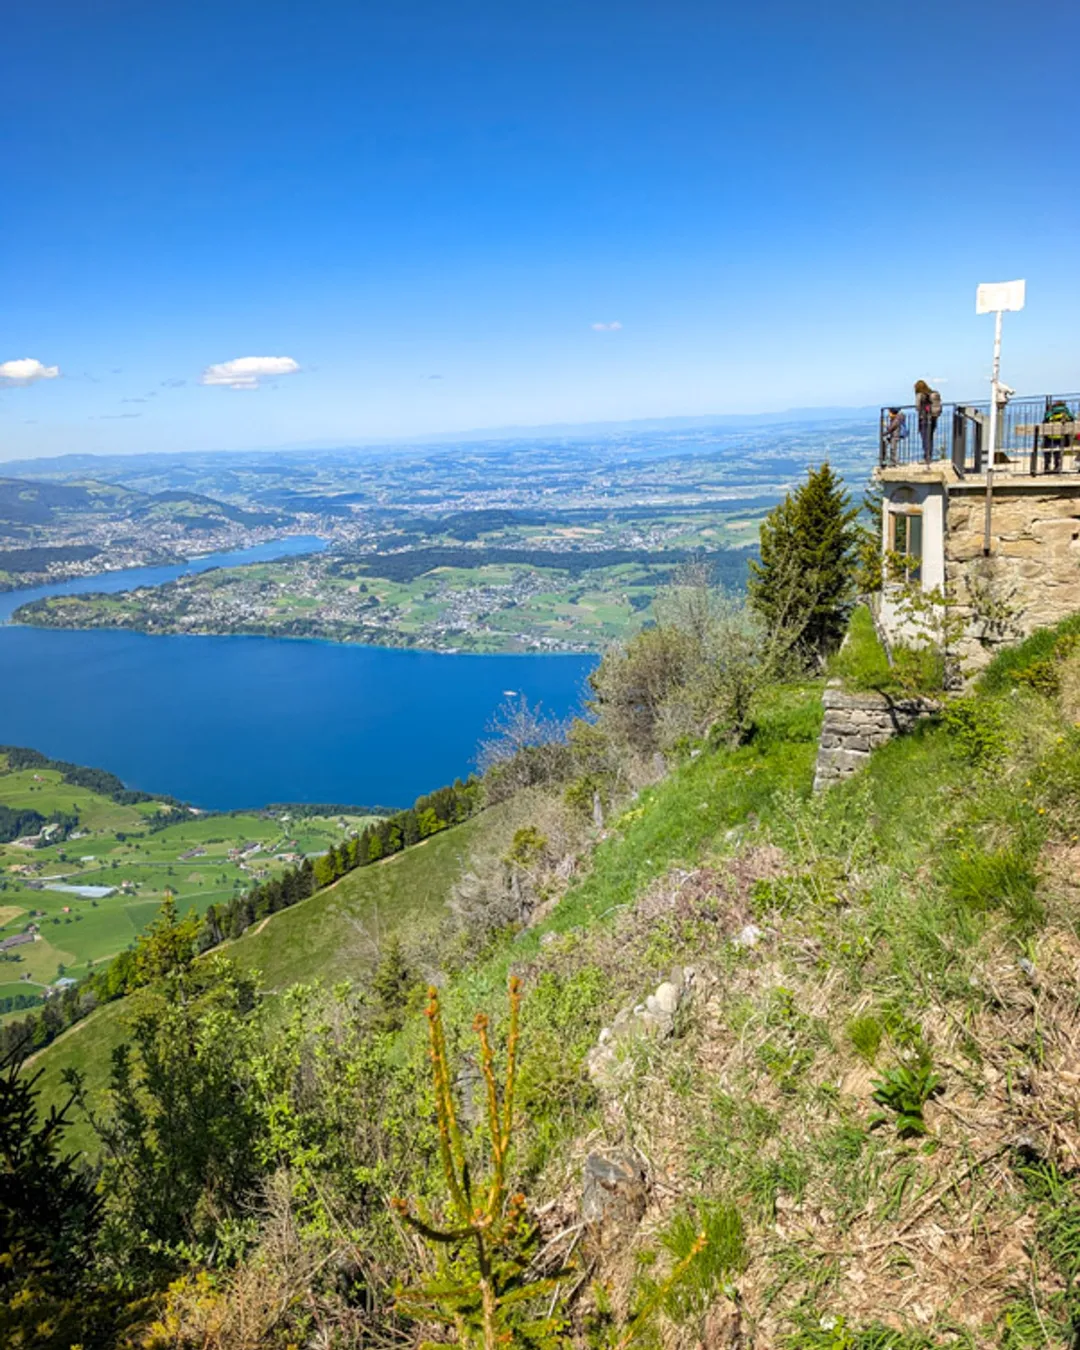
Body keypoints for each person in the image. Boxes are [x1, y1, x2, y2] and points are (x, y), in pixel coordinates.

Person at [1042, 397, 1074, 474]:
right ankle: (1057, 466)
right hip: (1061, 438)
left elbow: (1044, 423)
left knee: (1047, 449)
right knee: (1058, 452)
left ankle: (1047, 466)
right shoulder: (1066, 413)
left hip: (1050, 438)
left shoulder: (1050, 413)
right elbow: (1072, 420)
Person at [914, 380, 942, 463]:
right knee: (930, 437)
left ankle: (927, 457)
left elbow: (917, 407)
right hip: (933, 418)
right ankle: (929, 455)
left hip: (924, 418)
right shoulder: (932, 393)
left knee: (925, 438)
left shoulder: (920, 395)